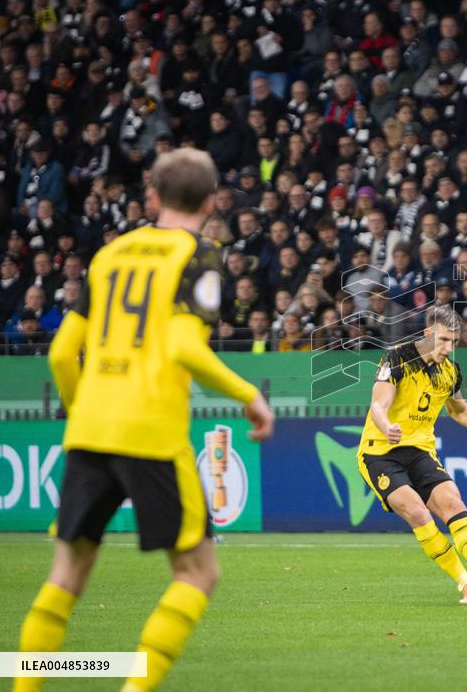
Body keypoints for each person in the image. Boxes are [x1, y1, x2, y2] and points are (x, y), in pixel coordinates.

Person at [14, 150, 275, 692]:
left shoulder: (110, 254)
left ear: (152, 197)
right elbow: (183, 346)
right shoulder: (200, 256)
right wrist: (249, 395)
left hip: (90, 429)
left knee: (66, 577)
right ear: (209, 203)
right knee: (198, 574)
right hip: (151, 433)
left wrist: (81, 408)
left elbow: (63, 353)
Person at [357, 306, 467, 604]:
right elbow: (378, 404)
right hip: (380, 452)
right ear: (427, 333)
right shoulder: (397, 358)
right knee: (418, 513)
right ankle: (465, 583)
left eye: (454, 342)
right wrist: (386, 427)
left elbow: (459, 411)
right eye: (443, 340)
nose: (448, 348)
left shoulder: (450, 372)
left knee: (452, 502)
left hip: (420, 450)